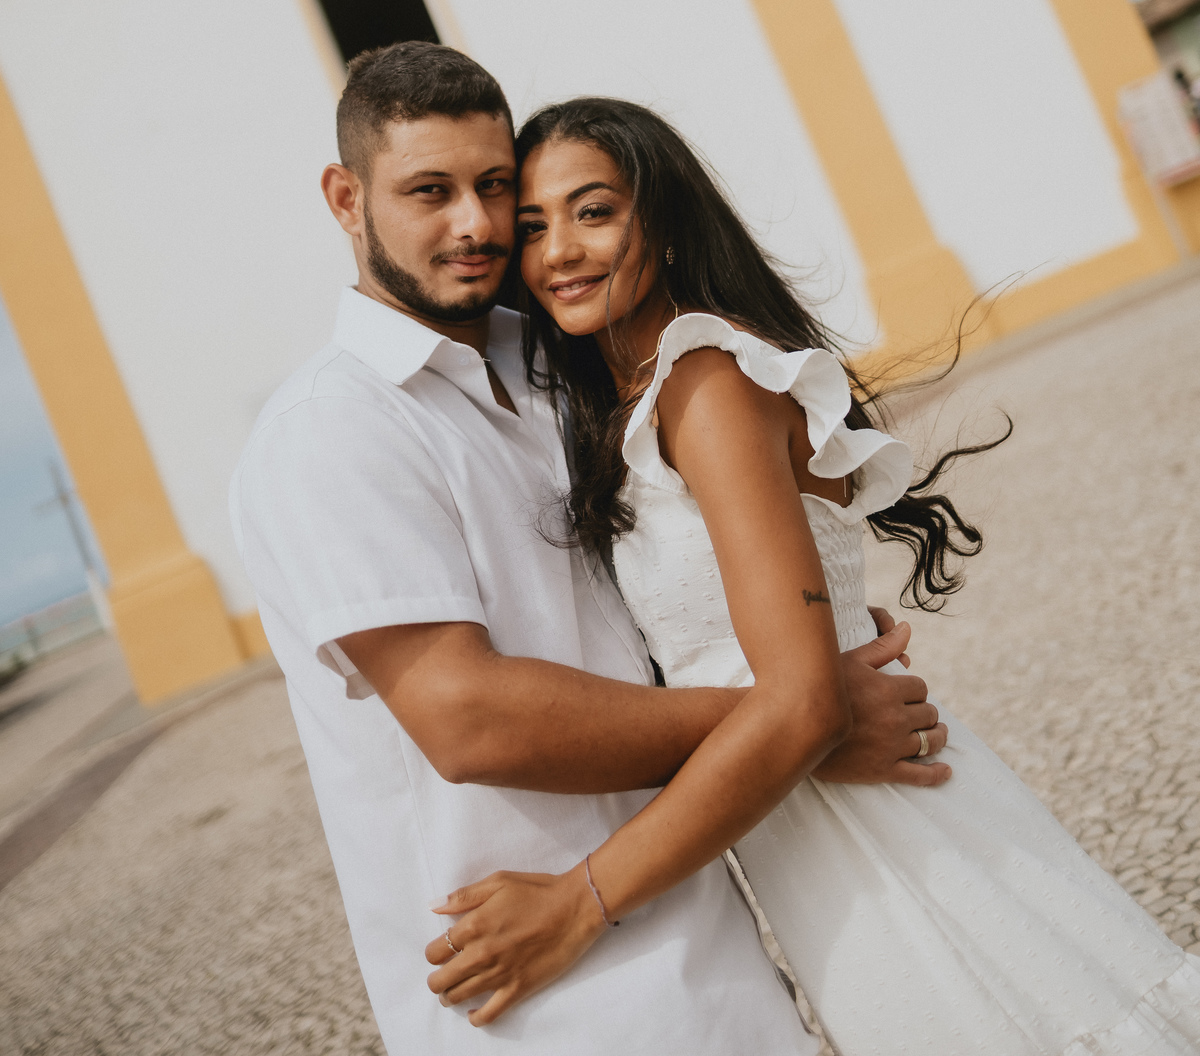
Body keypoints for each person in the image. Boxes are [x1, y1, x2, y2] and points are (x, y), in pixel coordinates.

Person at [433, 96, 1200, 1053]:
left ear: (662, 221)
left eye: (593, 212)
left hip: (883, 836)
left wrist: (577, 903)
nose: (558, 253)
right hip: (805, 838)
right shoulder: (635, 403)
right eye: (533, 226)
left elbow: (801, 703)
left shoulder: (705, 383)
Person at [230, 44, 950, 1056]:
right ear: (347, 200)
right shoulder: (331, 431)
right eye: (430, 192)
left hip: (706, 925)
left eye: (495, 188)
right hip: (534, 979)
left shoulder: (559, 363)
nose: (477, 225)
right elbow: (467, 718)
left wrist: (801, 706)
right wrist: (807, 714)